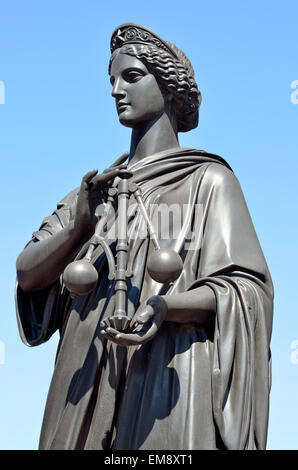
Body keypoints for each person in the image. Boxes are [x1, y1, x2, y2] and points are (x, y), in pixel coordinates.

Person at [15, 23, 273, 450]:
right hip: (83, 377)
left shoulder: (209, 181)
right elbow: (27, 274)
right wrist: (81, 225)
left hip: (167, 374)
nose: (116, 90)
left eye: (132, 77)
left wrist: (166, 306)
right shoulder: (94, 192)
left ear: (169, 87)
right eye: (112, 80)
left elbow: (244, 289)